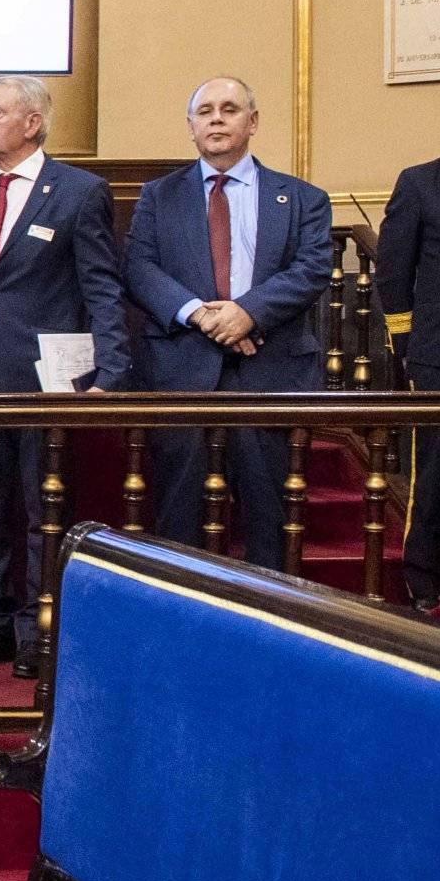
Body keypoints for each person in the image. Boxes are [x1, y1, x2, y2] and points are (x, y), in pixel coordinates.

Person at [0, 77, 131, 679]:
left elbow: (101, 288)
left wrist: (110, 375)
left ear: (32, 123)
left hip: (46, 383)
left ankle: (40, 633)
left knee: (45, 512)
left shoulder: (79, 191)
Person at [126, 76, 334, 563]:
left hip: (271, 371)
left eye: (229, 109)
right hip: (181, 371)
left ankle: (272, 625)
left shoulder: (303, 197)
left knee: (272, 517)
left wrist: (248, 313)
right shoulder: (159, 196)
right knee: (178, 520)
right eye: (205, 111)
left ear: (253, 121)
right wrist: (201, 315)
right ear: (191, 127)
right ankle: (183, 625)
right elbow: (138, 268)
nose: (216, 119)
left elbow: (311, 269)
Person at [376, 151, 440, 612]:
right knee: (435, 476)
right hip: (437, 357)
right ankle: (425, 580)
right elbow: (394, 272)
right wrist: (406, 346)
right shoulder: (419, 182)